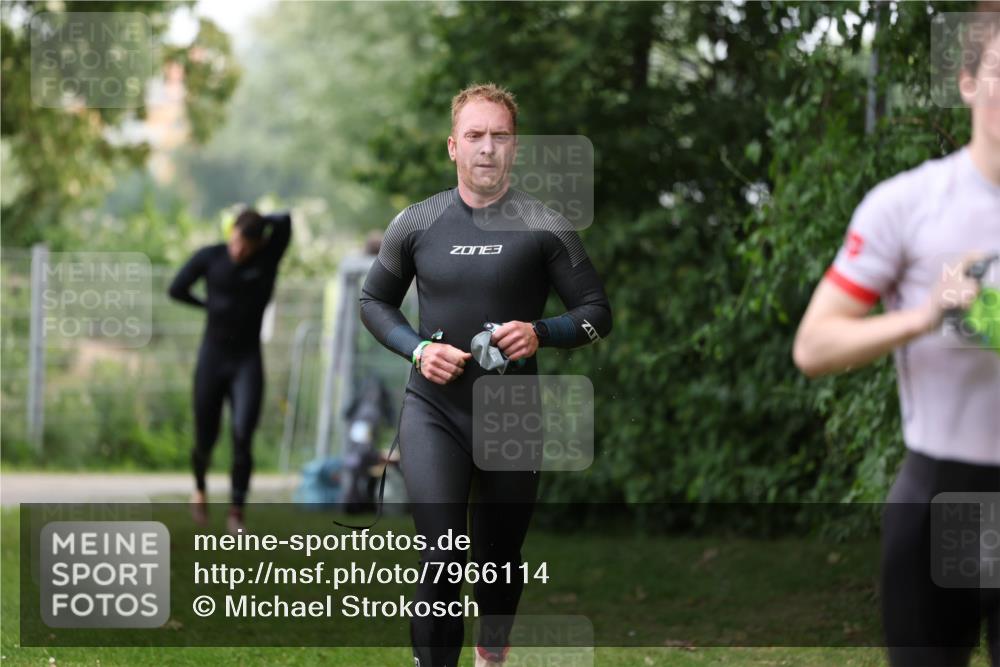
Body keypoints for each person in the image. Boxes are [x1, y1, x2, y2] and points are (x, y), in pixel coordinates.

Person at [359, 83, 612, 667]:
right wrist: (418, 350)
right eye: (474, 135)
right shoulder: (416, 222)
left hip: (511, 416)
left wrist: (542, 331)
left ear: (515, 147)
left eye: (500, 136)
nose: (487, 147)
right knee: (442, 558)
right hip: (433, 411)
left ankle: (490, 654)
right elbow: (374, 302)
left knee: (498, 559)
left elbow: (597, 313)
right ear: (453, 145)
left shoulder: (546, 226)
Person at [793, 10, 1000, 666]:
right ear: (968, 81)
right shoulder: (908, 204)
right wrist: (923, 315)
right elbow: (814, 346)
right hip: (940, 495)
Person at [168, 208, 292, 534]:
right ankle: (199, 489)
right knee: (204, 438)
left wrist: (260, 221)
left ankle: (236, 511)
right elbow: (176, 288)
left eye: (245, 246)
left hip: (247, 361)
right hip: (212, 360)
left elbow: (285, 221)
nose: (237, 251)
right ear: (230, 233)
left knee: (242, 434)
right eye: (235, 241)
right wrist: (206, 305)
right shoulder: (211, 257)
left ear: (258, 244)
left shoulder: (267, 259)